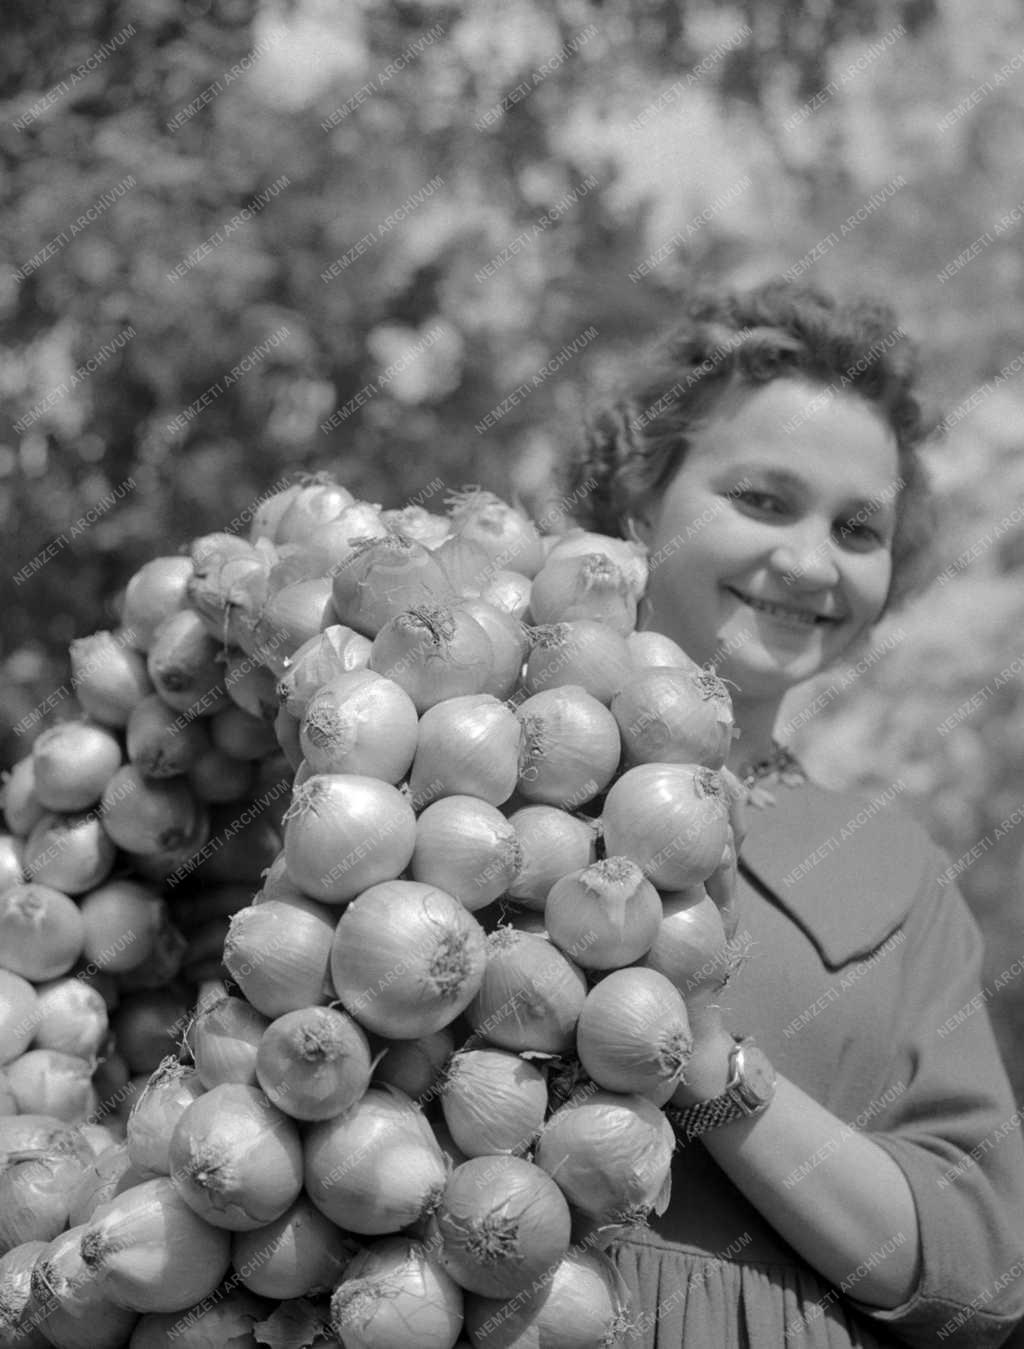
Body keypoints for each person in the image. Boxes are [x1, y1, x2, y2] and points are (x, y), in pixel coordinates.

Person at [562, 279, 1024, 1347]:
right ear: (641, 494)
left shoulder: (891, 868)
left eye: (858, 528)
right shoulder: (456, 759)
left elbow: (980, 1268)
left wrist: (712, 1069)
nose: (811, 561)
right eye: (763, 500)